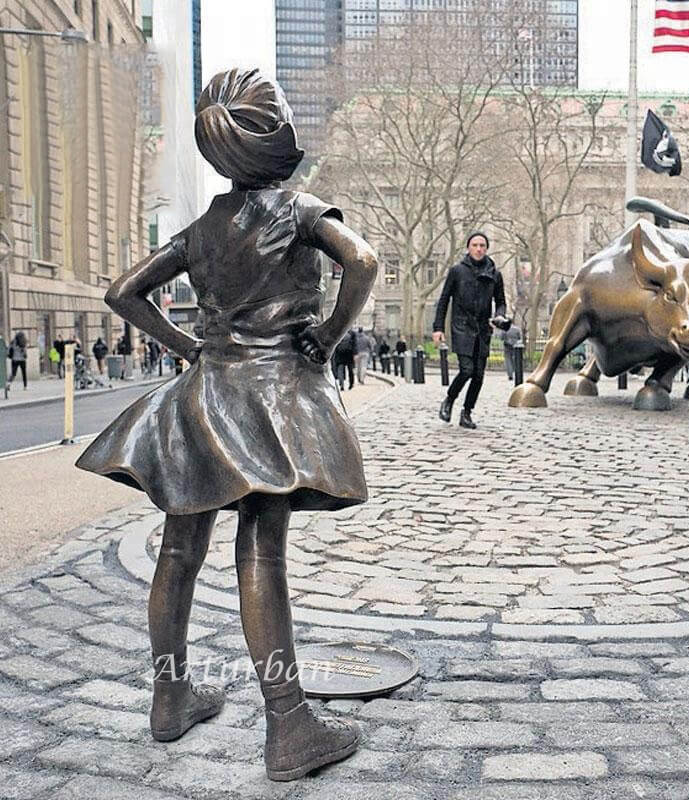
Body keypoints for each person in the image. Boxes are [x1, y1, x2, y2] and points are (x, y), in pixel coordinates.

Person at [76, 69, 376, 781]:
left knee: (180, 547)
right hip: (272, 398)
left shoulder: (204, 227)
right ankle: (289, 725)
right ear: (276, 136)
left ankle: (170, 694)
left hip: (205, 397)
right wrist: (330, 334)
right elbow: (362, 262)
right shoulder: (300, 212)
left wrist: (189, 350)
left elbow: (124, 293)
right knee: (260, 549)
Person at [433, 232, 508, 428]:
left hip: (483, 329)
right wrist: (438, 328)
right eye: (475, 245)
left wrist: (499, 316)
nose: (479, 249)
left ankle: (466, 412)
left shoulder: (494, 274)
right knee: (466, 370)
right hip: (462, 327)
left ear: (486, 248)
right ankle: (449, 400)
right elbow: (444, 300)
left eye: (482, 245)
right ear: (468, 248)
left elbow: (501, 302)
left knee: (479, 374)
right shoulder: (457, 271)